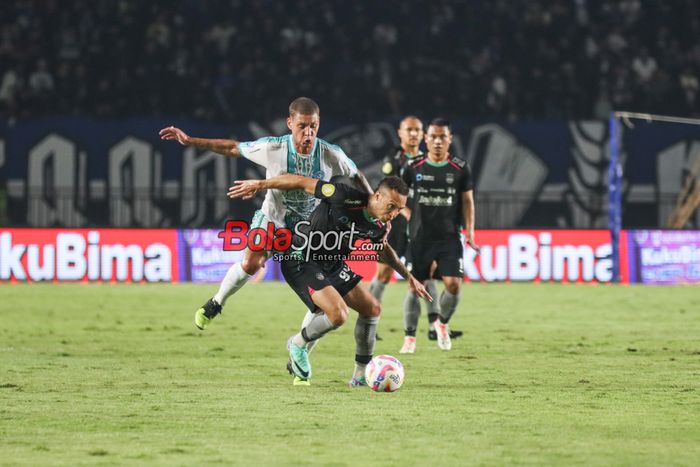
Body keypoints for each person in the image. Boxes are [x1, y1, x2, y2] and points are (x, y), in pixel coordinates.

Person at [159, 97, 371, 330]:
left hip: (309, 231)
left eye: (314, 126)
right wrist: (190, 140)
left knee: (321, 302)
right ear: (290, 123)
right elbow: (232, 147)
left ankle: (299, 348)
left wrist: (373, 206)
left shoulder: (331, 154)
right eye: (302, 126)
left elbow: (356, 175)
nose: (308, 133)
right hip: (273, 219)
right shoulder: (273, 148)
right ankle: (216, 302)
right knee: (251, 263)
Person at [227, 174, 431, 386]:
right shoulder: (342, 195)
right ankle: (297, 344)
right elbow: (299, 182)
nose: (395, 214)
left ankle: (360, 376)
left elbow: (383, 251)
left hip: (333, 266)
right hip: (301, 260)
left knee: (372, 309)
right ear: (377, 196)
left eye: (399, 209)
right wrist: (260, 184)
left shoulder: (379, 226)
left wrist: (409, 277)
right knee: (338, 314)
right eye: (392, 206)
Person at [367, 115, 463, 348]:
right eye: (409, 130)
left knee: (425, 274)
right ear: (400, 133)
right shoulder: (394, 158)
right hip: (395, 225)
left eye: (417, 130)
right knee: (383, 275)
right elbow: (388, 192)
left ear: (423, 134)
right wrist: (408, 213)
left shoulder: (425, 159)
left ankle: (434, 327)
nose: (413, 134)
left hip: (418, 229)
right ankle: (370, 321)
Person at [400, 118, 479, 352]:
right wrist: (410, 216)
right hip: (419, 239)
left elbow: (468, 202)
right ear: (426, 139)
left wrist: (470, 232)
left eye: (442, 137)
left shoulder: (460, 168)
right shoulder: (413, 167)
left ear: (449, 139)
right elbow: (398, 198)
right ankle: (409, 339)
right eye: (433, 136)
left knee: (454, 285)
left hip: (449, 238)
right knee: (415, 287)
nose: (437, 141)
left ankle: (441, 324)